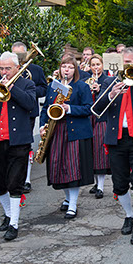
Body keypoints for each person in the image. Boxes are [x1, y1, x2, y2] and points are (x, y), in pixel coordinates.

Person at [93, 47, 133, 245]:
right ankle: (129, 215)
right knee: (120, 185)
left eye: (130, 63)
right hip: (117, 139)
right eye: (124, 63)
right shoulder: (108, 81)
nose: (126, 66)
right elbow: (97, 111)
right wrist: (110, 94)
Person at [0, 52, 36, 241]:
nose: (4, 72)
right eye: (1, 68)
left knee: (15, 184)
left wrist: (13, 89)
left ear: (17, 68)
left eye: (8, 68)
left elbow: (31, 106)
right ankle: (8, 213)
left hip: (18, 142)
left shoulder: (27, 84)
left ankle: (14, 224)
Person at [40, 55, 94, 218]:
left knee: (73, 169)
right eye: (64, 67)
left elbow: (88, 109)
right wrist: (42, 126)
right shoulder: (52, 86)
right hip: (56, 131)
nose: (67, 70)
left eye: (70, 67)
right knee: (57, 166)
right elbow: (45, 109)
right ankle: (67, 197)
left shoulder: (82, 87)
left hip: (74, 131)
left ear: (75, 70)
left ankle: (73, 204)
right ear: (60, 68)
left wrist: (69, 108)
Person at [0, 42, 47, 194]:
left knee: (22, 148)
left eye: (20, 55)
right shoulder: (2, 71)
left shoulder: (35, 70)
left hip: (27, 113)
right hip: (7, 114)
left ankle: (26, 179)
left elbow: (43, 88)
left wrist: (22, 89)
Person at [86, 54, 111, 199]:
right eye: (93, 65)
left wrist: (99, 89)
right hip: (89, 119)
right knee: (92, 151)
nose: (96, 67)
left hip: (102, 118)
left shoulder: (107, 80)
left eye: (98, 64)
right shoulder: (86, 80)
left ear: (103, 65)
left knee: (100, 151)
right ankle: (96, 183)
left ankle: (101, 187)